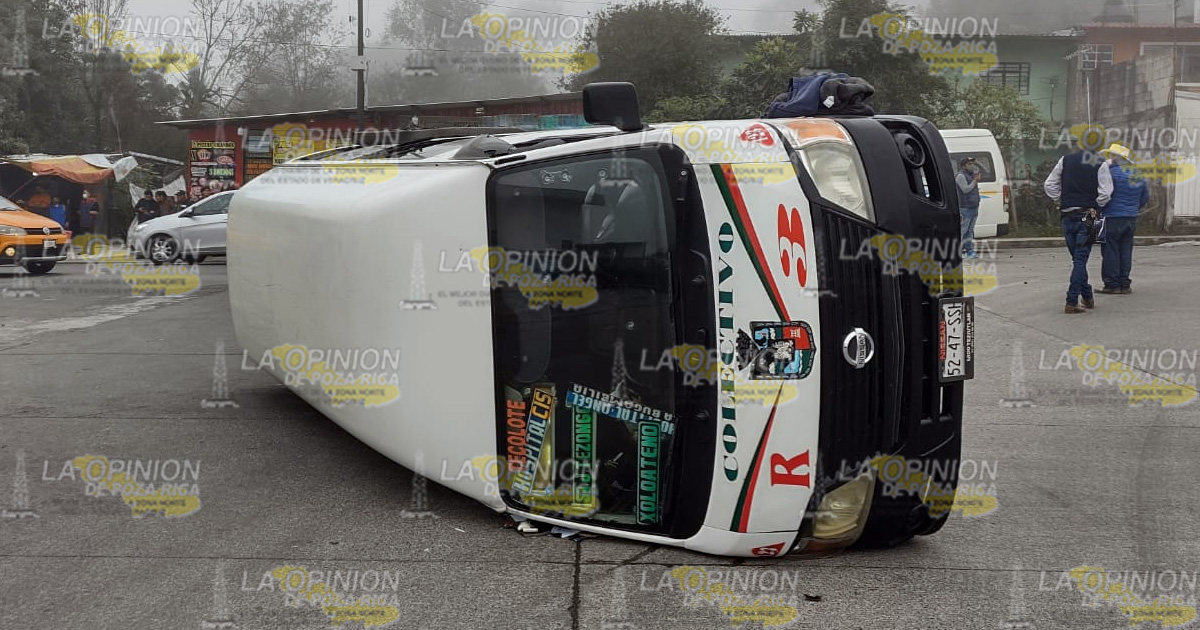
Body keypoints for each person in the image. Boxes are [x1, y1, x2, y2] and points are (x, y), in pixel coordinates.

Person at [1044, 148, 1113, 314]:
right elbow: (1106, 193)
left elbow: (1049, 184)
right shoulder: (1100, 163)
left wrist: (1059, 200)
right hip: (1089, 215)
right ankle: (1072, 300)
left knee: (1077, 259)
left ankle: (1087, 296)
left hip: (1067, 214)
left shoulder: (1065, 159)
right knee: (1080, 260)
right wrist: (1095, 205)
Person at [1097, 143, 1149, 295]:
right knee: (1126, 250)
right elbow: (1145, 197)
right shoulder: (1138, 174)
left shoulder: (1109, 173)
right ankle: (1125, 283)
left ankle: (1111, 284)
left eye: (1111, 156)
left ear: (1115, 157)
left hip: (1111, 216)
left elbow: (1103, 194)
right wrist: (1133, 208)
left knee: (1110, 250)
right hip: (1131, 217)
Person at [955, 157, 981, 259]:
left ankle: (969, 250)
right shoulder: (960, 176)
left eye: (972, 164)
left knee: (970, 231)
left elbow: (985, 170)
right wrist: (975, 181)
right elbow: (965, 189)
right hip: (965, 207)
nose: (972, 166)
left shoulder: (971, 175)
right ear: (963, 166)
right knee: (963, 230)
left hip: (974, 206)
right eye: (969, 164)